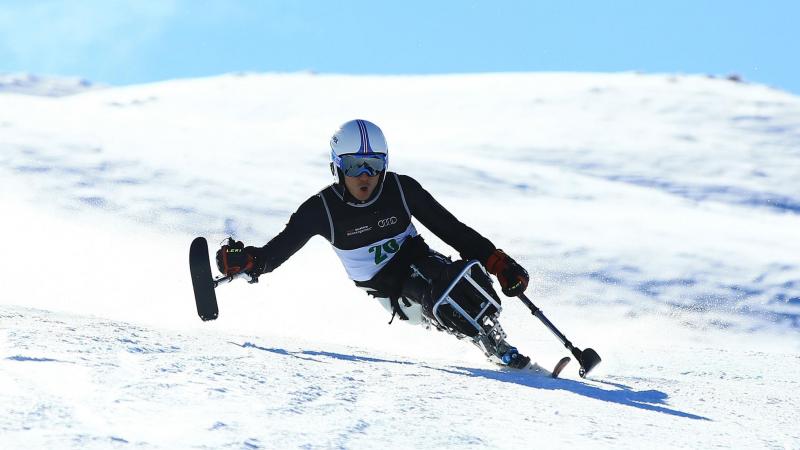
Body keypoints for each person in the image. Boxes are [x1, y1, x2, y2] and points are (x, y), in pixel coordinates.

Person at [215, 119, 532, 368]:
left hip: (419, 256)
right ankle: (484, 339)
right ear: (337, 166)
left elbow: (453, 231)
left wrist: (497, 263)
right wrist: (247, 262)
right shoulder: (321, 210)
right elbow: (275, 252)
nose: (365, 176)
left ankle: (495, 338)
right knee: (436, 291)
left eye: (375, 165)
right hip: (385, 284)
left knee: (465, 275)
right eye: (354, 166)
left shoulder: (401, 189)